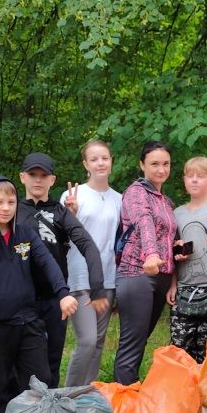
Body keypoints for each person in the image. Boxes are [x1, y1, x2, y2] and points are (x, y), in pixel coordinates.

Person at [0, 176, 78, 413]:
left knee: (39, 380)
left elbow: (47, 262)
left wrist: (63, 293)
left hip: (29, 321)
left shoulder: (25, 234)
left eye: (10, 201)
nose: (5, 207)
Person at [17, 153, 107, 388]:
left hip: (55, 298)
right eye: (32, 175)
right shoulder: (13, 212)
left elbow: (88, 245)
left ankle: (52, 411)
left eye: (43, 175)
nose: (38, 180)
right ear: (22, 177)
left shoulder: (61, 212)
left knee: (51, 360)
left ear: (52, 180)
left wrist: (97, 288)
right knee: (24, 361)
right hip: (22, 299)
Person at [114, 141, 178, 385]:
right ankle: (123, 404)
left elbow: (167, 236)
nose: (161, 169)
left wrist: (177, 251)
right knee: (131, 345)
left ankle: (129, 396)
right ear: (142, 165)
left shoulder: (166, 201)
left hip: (161, 277)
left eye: (165, 164)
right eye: (154, 164)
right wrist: (150, 254)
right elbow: (144, 223)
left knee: (141, 340)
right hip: (137, 273)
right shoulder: (136, 192)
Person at [62, 140, 123, 386]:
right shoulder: (73, 196)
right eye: (94, 159)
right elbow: (58, 238)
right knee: (86, 340)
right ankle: (66, 397)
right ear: (86, 164)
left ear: (111, 161)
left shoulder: (119, 199)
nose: (100, 163)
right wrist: (71, 215)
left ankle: (87, 395)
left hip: (107, 279)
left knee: (98, 342)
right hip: (80, 277)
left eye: (105, 158)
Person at [166, 156, 207, 362]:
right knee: (179, 349)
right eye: (190, 176)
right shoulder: (175, 213)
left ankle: (204, 393)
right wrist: (173, 284)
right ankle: (181, 390)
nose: (194, 180)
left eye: (200, 176)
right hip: (184, 290)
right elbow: (172, 254)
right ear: (184, 180)